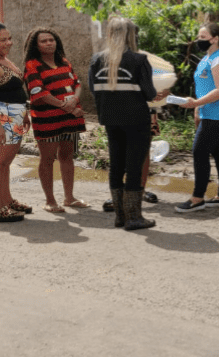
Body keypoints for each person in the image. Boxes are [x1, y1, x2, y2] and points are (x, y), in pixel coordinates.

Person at [89, 16, 160, 231]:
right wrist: (159, 93)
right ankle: (134, 217)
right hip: (136, 120)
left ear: (110, 35)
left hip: (110, 119)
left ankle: (120, 216)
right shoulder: (139, 60)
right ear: (132, 35)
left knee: (116, 165)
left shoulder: (97, 60)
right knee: (134, 167)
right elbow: (149, 93)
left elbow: (94, 91)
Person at [23, 27, 88, 214]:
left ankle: (69, 198)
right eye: (43, 41)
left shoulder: (64, 61)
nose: (49, 43)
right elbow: (38, 92)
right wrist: (64, 105)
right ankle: (50, 201)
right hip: (47, 119)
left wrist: (74, 100)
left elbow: (77, 83)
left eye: (51, 40)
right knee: (47, 159)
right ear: (36, 45)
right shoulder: (32, 65)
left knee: (67, 156)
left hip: (70, 118)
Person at [176, 22, 219, 212]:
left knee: (199, 152)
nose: (198, 41)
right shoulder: (207, 58)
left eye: (202, 37)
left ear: (215, 39)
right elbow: (204, 86)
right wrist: (198, 110)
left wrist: (195, 103)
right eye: (198, 37)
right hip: (209, 112)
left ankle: (197, 198)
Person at [0, 22, 31, 222]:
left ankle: (7, 200)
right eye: (3, 40)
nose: (8, 43)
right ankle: (1, 206)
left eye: (9, 38)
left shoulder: (5, 60)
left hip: (16, 115)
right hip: (4, 116)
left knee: (6, 162)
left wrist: (25, 112)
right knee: (1, 162)